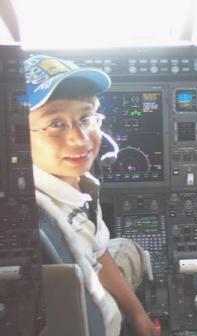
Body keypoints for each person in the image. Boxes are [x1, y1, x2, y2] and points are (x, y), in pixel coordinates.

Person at [25, 55, 160, 336]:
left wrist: (139, 316)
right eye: (55, 123)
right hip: (105, 324)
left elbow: (98, 252)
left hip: (102, 304)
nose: (81, 139)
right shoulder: (26, 221)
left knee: (122, 247)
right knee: (131, 250)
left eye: (86, 118)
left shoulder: (78, 186)